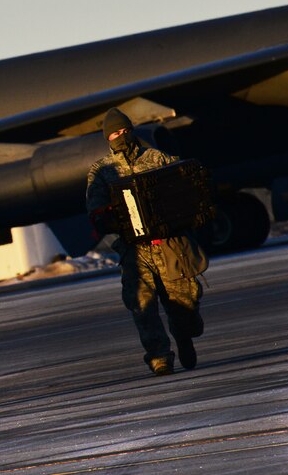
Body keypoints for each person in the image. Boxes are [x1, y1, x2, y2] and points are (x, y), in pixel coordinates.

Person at [86, 108, 207, 376]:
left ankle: (184, 336)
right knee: (142, 306)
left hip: (168, 245)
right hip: (134, 251)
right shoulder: (102, 171)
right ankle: (159, 356)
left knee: (185, 303)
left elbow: (186, 187)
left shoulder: (158, 158)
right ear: (108, 138)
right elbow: (94, 209)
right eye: (115, 133)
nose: (121, 136)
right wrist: (111, 217)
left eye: (124, 130)